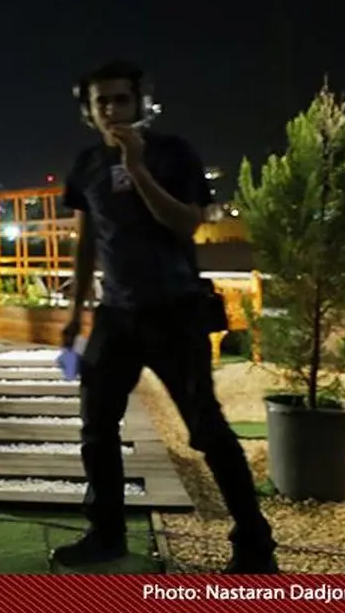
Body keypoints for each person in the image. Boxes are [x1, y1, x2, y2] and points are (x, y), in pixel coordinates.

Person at [52, 60, 277, 574]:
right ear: (88, 111)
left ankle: (255, 545)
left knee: (206, 429)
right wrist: (75, 310)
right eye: (102, 101)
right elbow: (87, 243)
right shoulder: (86, 164)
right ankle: (106, 534)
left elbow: (186, 225)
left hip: (175, 310)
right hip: (115, 314)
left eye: (121, 99)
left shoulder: (174, 153)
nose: (112, 109)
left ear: (141, 104)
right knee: (96, 427)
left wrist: (137, 169)